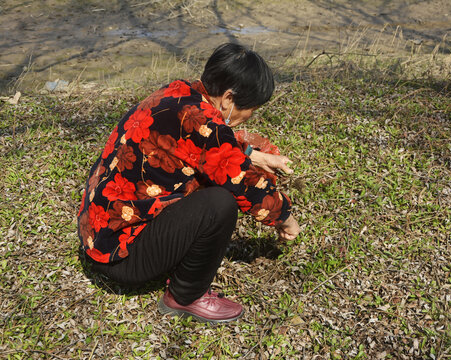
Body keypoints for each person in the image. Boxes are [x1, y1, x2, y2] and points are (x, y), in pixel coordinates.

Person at [77, 43, 301, 323]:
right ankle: (186, 296)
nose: (250, 117)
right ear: (229, 98)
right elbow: (245, 184)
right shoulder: (203, 126)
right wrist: (286, 218)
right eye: (252, 109)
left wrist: (252, 154)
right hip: (123, 256)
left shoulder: (179, 92)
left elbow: (204, 142)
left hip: (98, 233)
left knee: (211, 181)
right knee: (220, 203)